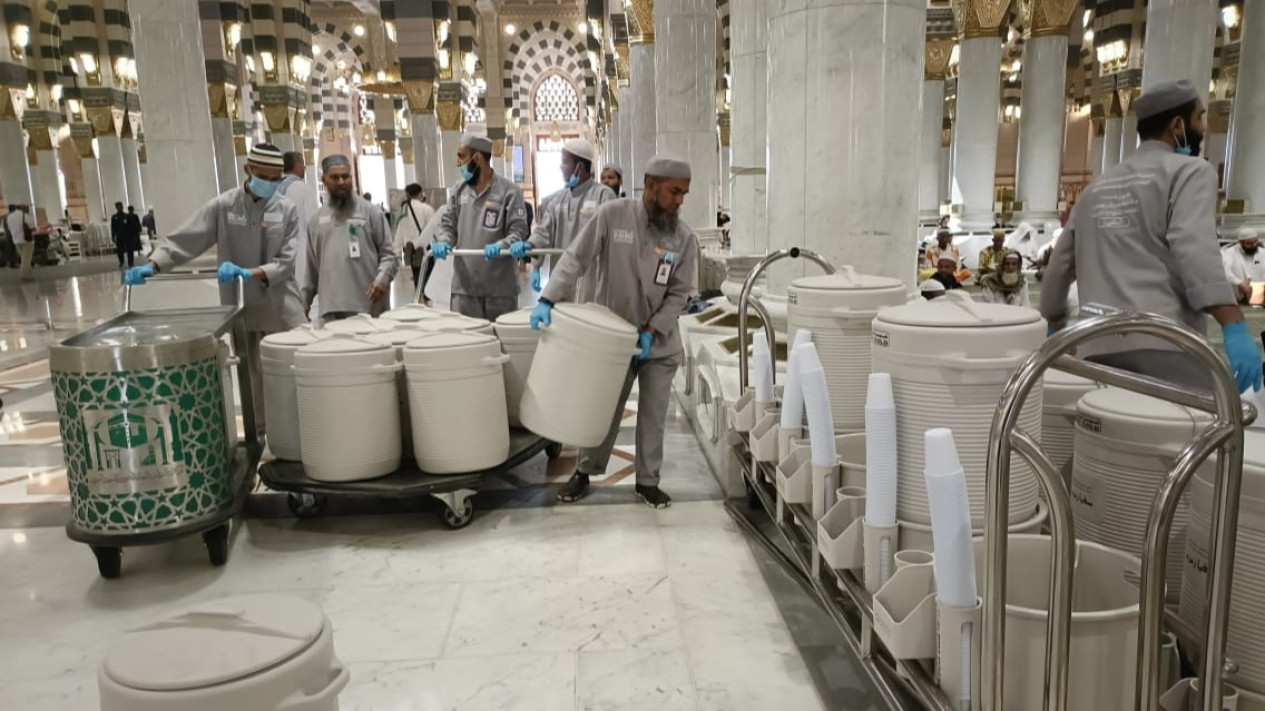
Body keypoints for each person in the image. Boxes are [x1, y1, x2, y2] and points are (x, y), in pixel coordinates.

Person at [1041, 79, 1262, 393]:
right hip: (1165, 346)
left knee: (1108, 436)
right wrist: (1233, 324)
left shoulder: (1097, 187)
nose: (1204, 128)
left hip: (1094, 347)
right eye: (1199, 118)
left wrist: (1053, 321)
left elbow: (1060, 266)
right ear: (1177, 124)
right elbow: (1194, 249)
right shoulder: (1190, 172)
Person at [530, 153, 699, 509]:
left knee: (653, 415)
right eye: (673, 192)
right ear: (650, 185)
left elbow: (680, 292)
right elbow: (576, 258)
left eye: (684, 193)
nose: (679, 201)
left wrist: (653, 329)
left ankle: (647, 481)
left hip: (658, 343)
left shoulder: (683, 238)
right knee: (602, 406)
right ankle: (584, 471)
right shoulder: (612, 216)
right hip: (612, 340)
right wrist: (548, 297)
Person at [123, 143, 303, 434]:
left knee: (293, 374)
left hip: (281, 307)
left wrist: (250, 272)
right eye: (264, 177)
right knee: (253, 380)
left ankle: (301, 433)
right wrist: (153, 264)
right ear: (248, 170)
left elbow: (286, 261)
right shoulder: (224, 206)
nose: (269, 185)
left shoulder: (286, 209)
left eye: (275, 179)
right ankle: (263, 439)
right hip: (242, 310)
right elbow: (186, 240)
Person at [430, 132, 529, 322]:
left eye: (461, 156)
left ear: (477, 158)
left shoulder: (509, 192)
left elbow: (518, 231)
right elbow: (448, 225)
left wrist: (501, 245)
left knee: (500, 341)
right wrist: (444, 241)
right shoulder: (459, 191)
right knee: (468, 342)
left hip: (500, 289)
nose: (457, 162)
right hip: (464, 289)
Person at [511, 138, 617, 295]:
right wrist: (530, 245)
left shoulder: (604, 196)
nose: (560, 167)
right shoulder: (558, 199)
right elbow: (543, 231)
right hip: (561, 278)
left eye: (564, 162)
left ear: (579, 167)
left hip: (592, 279)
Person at [301, 154, 397, 320]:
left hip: (369, 306)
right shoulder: (315, 221)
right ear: (323, 180)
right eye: (335, 177)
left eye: (345, 176)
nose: (341, 182)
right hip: (331, 308)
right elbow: (311, 270)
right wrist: (304, 301)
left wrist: (382, 279)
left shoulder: (371, 213)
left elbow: (389, 255)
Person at [279, 151, 320, 323]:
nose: (304, 166)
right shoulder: (303, 188)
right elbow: (313, 222)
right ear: (296, 165)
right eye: (303, 163)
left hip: (280, 249)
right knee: (302, 288)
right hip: (302, 247)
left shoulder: (276, 188)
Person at [394, 183, 436, 285]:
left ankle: (418, 296)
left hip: (408, 252)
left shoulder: (402, 211)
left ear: (407, 194)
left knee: (415, 281)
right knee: (426, 282)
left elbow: (399, 233)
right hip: (425, 251)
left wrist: (397, 253)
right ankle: (424, 298)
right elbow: (434, 230)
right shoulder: (426, 208)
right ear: (421, 193)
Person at [1222, 227, 1265, 304]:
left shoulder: (1262, 253)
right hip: (1236, 296)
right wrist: (1239, 283)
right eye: (1250, 243)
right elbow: (1225, 271)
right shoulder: (1230, 253)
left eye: (1255, 242)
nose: (1254, 245)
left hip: (1259, 295)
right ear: (1241, 243)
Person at [110, 202, 134, 267]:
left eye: (120, 206)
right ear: (116, 208)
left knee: (130, 249)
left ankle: (130, 262)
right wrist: (113, 236)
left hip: (127, 235)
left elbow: (130, 226)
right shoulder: (114, 217)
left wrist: (132, 235)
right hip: (119, 235)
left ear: (122, 207)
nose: (119, 208)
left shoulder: (127, 216)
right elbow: (113, 227)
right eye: (118, 206)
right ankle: (121, 261)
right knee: (119, 250)